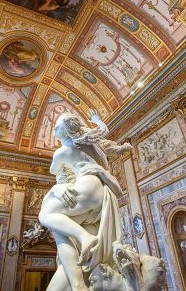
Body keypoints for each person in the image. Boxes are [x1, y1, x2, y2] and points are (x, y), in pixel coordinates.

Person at [38, 110, 125, 291]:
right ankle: (78, 285)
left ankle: (85, 237)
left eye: (56, 127)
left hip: (85, 188)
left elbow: (54, 171)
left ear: (64, 132)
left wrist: (58, 186)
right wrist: (96, 120)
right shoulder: (90, 144)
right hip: (98, 192)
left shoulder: (62, 152)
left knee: (45, 215)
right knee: (60, 230)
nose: (53, 129)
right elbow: (102, 130)